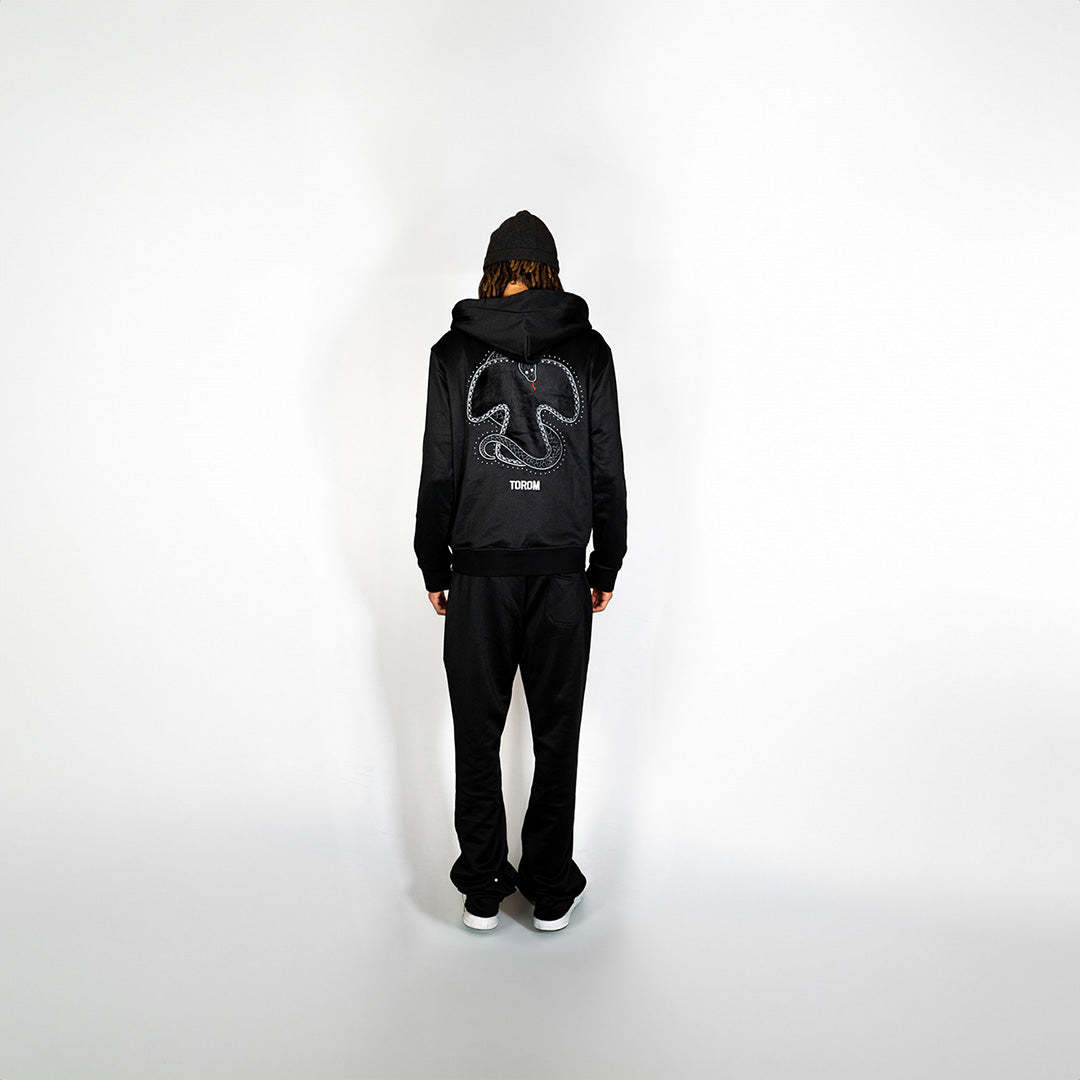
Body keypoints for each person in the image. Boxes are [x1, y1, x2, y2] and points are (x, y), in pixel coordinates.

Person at [413, 210, 627, 932]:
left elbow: (440, 464)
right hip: (563, 575)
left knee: (476, 734)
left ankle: (481, 888)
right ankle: (549, 888)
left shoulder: (453, 353)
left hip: (478, 576)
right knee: (557, 736)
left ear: (492, 271)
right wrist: (607, 559)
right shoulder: (589, 351)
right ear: (551, 271)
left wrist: (433, 560)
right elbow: (605, 462)